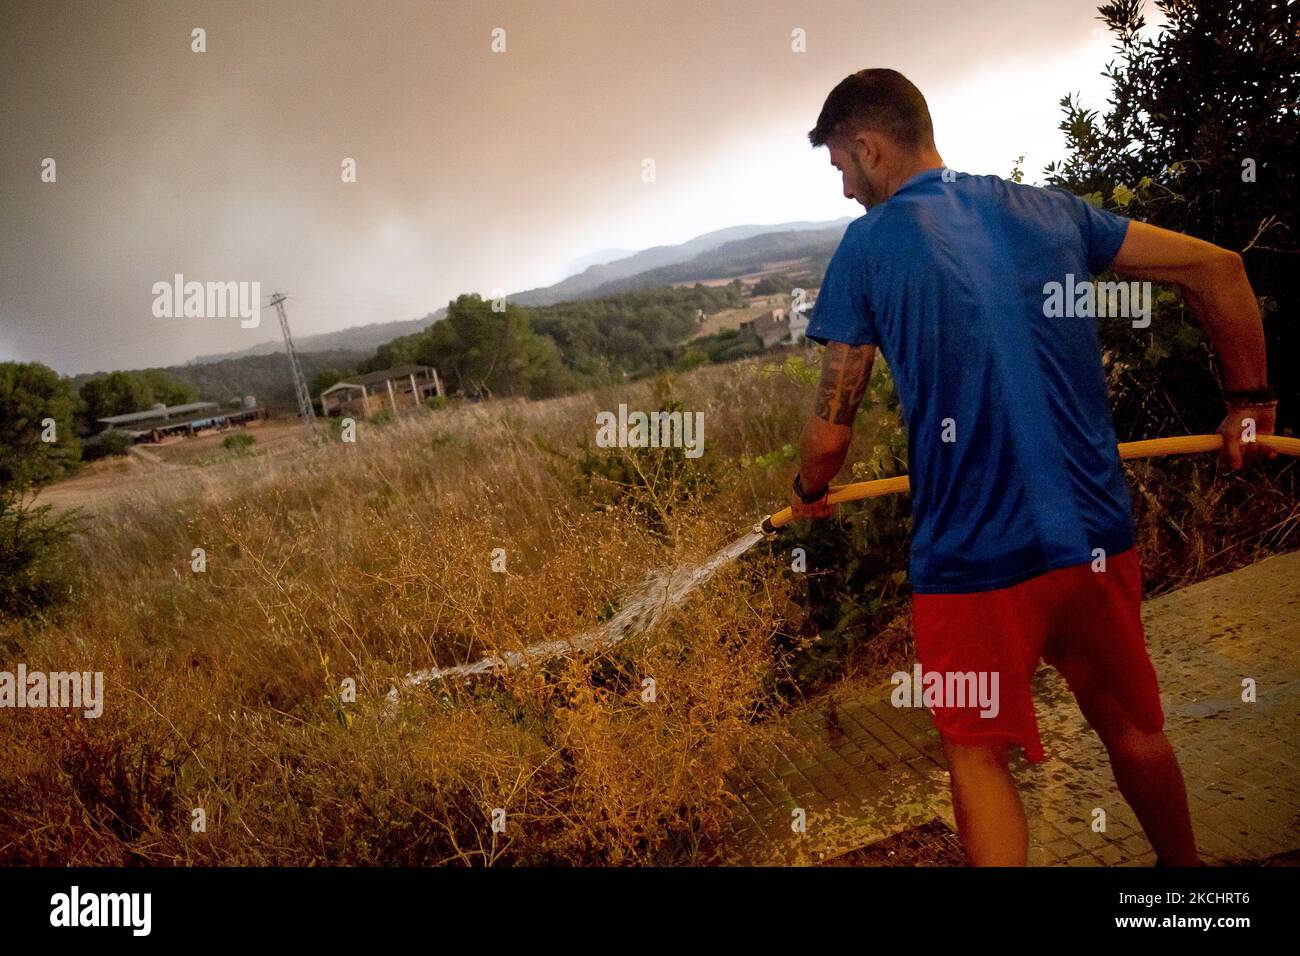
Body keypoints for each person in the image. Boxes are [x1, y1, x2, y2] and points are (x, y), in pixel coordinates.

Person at [791, 68, 1276, 866]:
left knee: (977, 756)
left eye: (842, 166)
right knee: (1132, 727)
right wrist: (1251, 402)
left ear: (869, 146)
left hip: (971, 566)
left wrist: (810, 490)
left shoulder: (867, 246)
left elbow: (827, 441)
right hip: (1094, 539)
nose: (844, 188)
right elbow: (1220, 267)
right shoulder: (1051, 212)